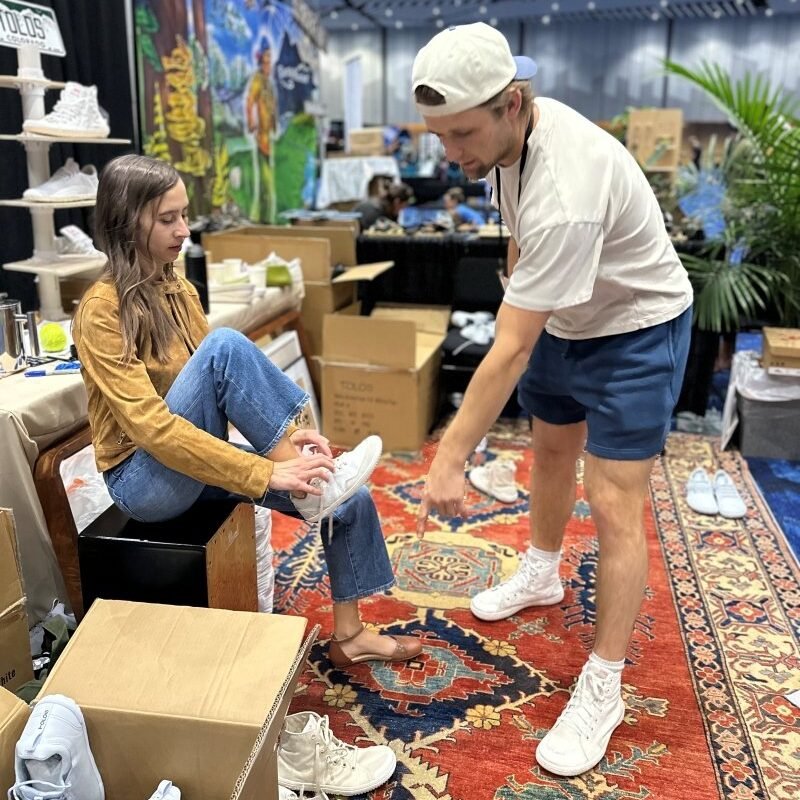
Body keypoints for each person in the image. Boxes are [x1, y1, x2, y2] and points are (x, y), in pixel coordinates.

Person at [412, 23, 692, 777]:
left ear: (512, 101)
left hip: (635, 326)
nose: (451, 154)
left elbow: (509, 349)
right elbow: (518, 236)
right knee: (550, 449)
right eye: (439, 136)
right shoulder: (508, 142)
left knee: (612, 500)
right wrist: (521, 289)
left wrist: (450, 456)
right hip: (565, 317)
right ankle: (541, 571)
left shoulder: (568, 184)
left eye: (462, 133)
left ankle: (604, 686)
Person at [72, 154, 423, 683]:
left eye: (184, 215)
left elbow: (213, 398)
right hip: (142, 483)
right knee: (226, 347)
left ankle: (350, 637)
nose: (184, 231)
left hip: (186, 462)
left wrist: (283, 438)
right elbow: (152, 427)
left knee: (345, 494)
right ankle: (305, 485)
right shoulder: (100, 310)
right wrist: (266, 470)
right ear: (128, 221)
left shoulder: (178, 290)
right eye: (168, 219)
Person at [246, 37, 277, 222]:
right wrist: (251, 121)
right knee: (266, 181)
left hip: (269, 136)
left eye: (270, 61)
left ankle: (267, 217)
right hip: (261, 138)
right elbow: (250, 101)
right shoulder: (258, 79)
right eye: (265, 61)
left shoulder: (268, 82)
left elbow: (271, 105)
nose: (268, 65)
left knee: (270, 181)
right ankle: (263, 218)